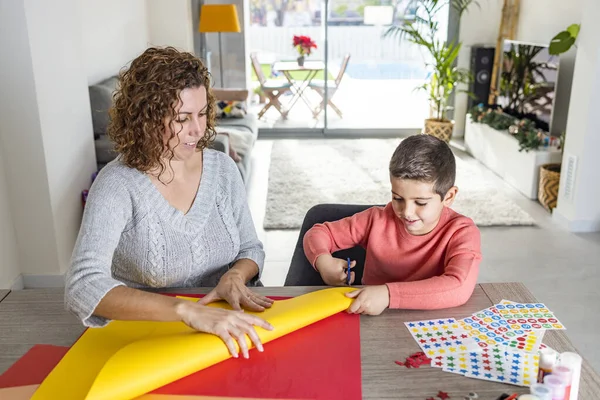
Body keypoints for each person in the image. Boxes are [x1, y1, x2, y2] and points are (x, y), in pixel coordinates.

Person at [65, 47, 273, 359]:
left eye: (202, 113)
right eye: (182, 118)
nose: (198, 129)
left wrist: (235, 275)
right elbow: (83, 286)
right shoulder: (117, 184)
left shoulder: (223, 169)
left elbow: (250, 249)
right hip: (146, 337)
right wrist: (185, 310)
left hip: (222, 327)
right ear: (147, 119)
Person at [303, 134, 482, 315]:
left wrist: (388, 294)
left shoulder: (462, 231)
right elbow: (317, 233)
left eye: (420, 202)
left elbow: (459, 286)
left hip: (432, 321)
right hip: (371, 319)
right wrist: (323, 262)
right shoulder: (376, 219)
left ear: (449, 196)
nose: (407, 212)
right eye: (397, 198)